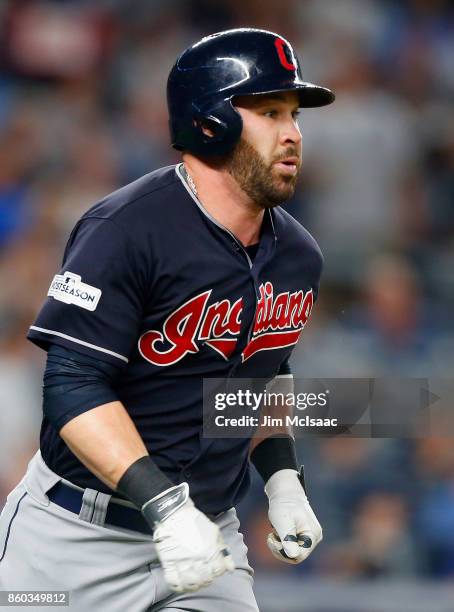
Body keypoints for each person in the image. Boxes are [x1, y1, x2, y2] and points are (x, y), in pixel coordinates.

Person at [0, 28, 334, 611]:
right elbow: (72, 388)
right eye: (270, 111)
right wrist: (165, 506)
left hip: (208, 542)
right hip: (72, 541)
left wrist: (282, 476)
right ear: (210, 122)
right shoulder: (125, 229)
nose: (292, 133)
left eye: (294, 114)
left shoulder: (298, 254)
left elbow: (263, 377)